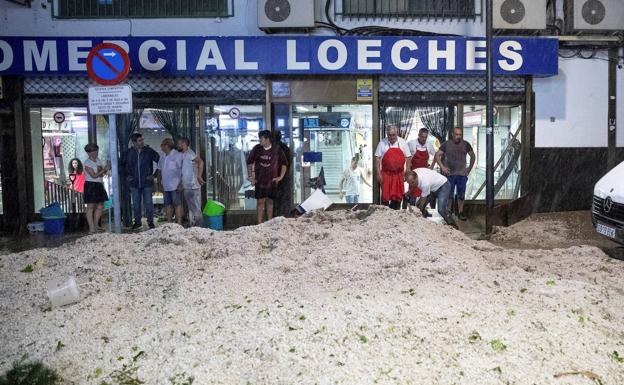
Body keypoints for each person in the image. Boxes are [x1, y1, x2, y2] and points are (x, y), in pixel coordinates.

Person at [435, 127, 476, 221]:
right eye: (456, 134)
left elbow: (473, 156)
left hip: (462, 174)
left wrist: (469, 169)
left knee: (461, 194)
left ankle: (461, 212)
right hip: (450, 174)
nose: (458, 136)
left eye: (460, 134)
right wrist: (442, 167)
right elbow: (437, 155)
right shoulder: (446, 144)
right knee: (449, 194)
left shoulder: (465, 144)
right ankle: (449, 211)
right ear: (452, 134)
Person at [246, 130, 287, 224]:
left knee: (270, 202)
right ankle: (259, 223)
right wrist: (250, 176)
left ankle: (269, 222)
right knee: (260, 202)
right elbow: (249, 162)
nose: (260, 141)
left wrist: (280, 177)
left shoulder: (277, 149)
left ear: (267, 139)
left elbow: (284, 163)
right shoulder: (257, 148)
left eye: (261, 139)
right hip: (260, 181)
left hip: (272, 181)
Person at [121, 133, 160, 230]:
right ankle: (137, 222)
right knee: (136, 204)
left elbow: (161, 161)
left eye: (142, 140)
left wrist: (154, 175)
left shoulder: (149, 151)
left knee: (149, 204)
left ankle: (150, 222)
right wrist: (127, 176)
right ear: (134, 142)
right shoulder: (128, 153)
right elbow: (121, 165)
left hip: (147, 182)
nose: (142, 142)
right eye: (140, 140)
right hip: (134, 183)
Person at [374, 125, 411, 209]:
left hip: (399, 175)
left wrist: (407, 171)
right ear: (387, 134)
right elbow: (377, 159)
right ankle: (384, 216)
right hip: (386, 174)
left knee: (397, 197)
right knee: (385, 197)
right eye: (389, 135)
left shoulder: (402, 142)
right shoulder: (382, 143)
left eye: (393, 135)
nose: (391, 137)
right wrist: (378, 173)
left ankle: (396, 213)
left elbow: (408, 157)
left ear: (397, 133)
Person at [178, 137, 205, 227]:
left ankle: (200, 227)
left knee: (196, 208)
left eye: (179, 143)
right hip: (187, 186)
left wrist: (199, 176)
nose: (178, 145)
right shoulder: (184, 154)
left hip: (193, 186)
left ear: (183, 144)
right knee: (192, 208)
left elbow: (201, 162)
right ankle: (194, 225)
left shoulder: (190, 153)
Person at [83, 143, 109, 233]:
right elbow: (93, 175)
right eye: (93, 151)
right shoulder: (87, 162)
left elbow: (100, 174)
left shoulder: (98, 160)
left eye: (96, 151)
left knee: (100, 205)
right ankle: (91, 227)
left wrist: (105, 171)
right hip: (90, 184)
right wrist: (104, 169)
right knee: (90, 206)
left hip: (98, 184)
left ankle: (96, 224)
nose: (95, 153)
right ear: (88, 153)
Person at [157, 138, 184, 225]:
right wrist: (159, 183)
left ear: (167, 145)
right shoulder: (162, 156)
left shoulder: (178, 155)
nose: (161, 147)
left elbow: (183, 170)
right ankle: (169, 223)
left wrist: (181, 183)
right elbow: (159, 170)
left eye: (162, 145)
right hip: (166, 185)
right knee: (167, 204)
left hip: (175, 185)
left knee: (177, 204)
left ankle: (179, 223)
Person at [272, 130, 292, 217]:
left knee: (275, 198)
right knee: (284, 198)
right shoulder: (285, 147)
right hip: (284, 176)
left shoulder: (273, 148)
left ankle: (276, 216)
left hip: (275, 177)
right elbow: (289, 162)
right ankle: (284, 216)